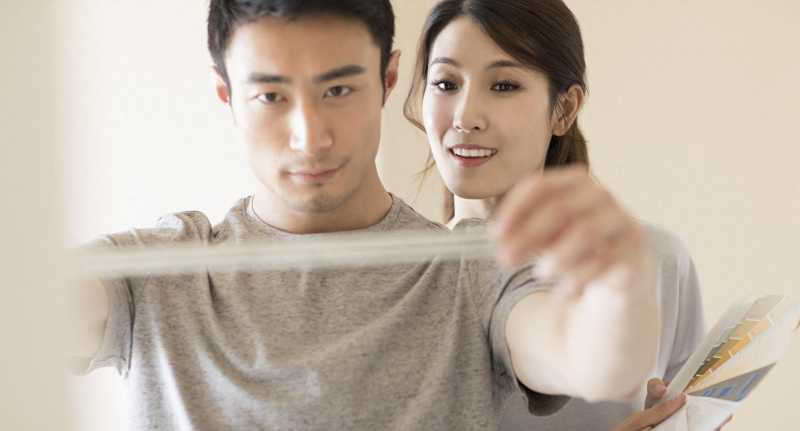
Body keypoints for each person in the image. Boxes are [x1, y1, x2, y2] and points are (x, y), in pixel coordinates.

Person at [72, 1, 660, 429]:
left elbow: (595, 363)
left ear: (387, 80)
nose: (310, 138)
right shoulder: (159, 270)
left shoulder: (472, 271)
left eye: (338, 91)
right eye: (271, 96)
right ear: (226, 95)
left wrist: (621, 276)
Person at [402, 1, 706, 430]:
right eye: (446, 83)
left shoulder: (657, 260)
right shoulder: (405, 282)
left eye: (503, 85)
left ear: (564, 109)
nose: (465, 117)